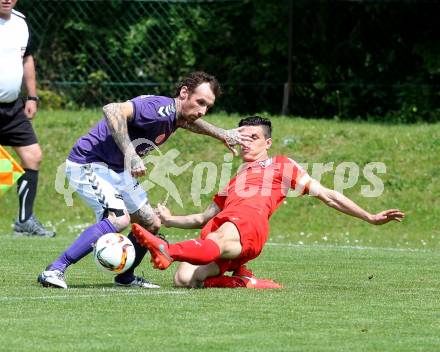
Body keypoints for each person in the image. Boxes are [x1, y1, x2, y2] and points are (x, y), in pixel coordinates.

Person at [132, 116, 405, 289]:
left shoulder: (282, 165)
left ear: (268, 142)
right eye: (242, 138)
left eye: (253, 138)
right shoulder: (235, 178)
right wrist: (169, 219)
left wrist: (369, 216)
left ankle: (167, 250)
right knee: (184, 280)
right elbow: (203, 217)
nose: (246, 143)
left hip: (248, 225)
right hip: (220, 228)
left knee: (219, 236)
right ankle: (242, 280)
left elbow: (328, 194)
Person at [38, 71, 252, 289]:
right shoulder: (158, 109)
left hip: (117, 170)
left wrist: (221, 133)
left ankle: (125, 277)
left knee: (151, 223)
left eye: (208, 106)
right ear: (184, 92)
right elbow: (111, 109)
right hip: (90, 163)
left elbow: (189, 123)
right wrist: (130, 153)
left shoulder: (177, 115)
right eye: (200, 102)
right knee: (119, 219)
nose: (202, 111)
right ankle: (54, 269)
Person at [0, 0, 55, 237]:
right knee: (3, 167)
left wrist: (32, 96)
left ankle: (24, 221)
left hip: (13, 107)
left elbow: (27, 59)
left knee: (33, 156)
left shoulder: (21, 23)